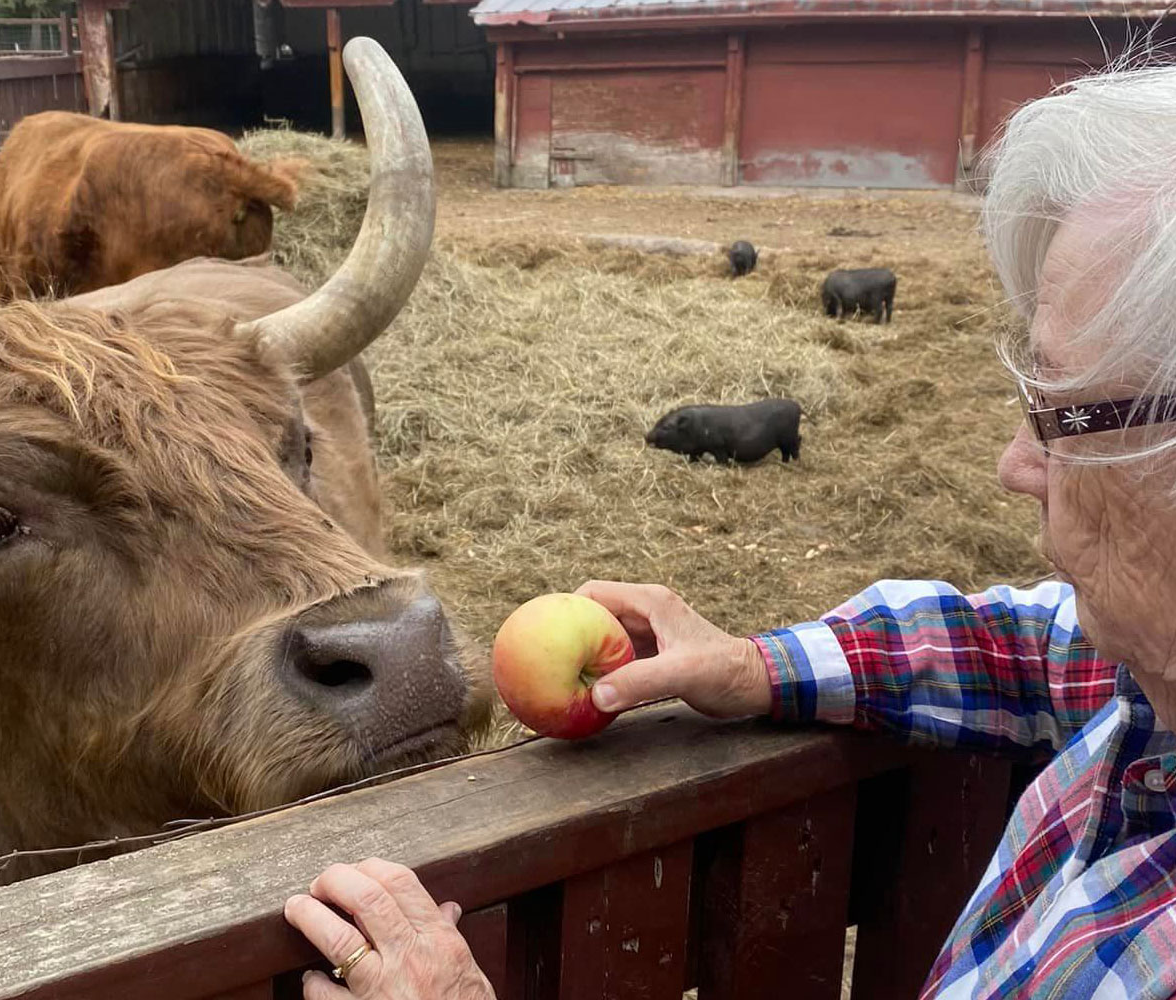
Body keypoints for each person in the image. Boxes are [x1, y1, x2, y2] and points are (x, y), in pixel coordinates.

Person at [283, 63, 1176, 1000]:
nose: (1014, 464)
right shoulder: (1149, 681)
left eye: (1059, 413)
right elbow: (1031, 649)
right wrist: (757, 667)